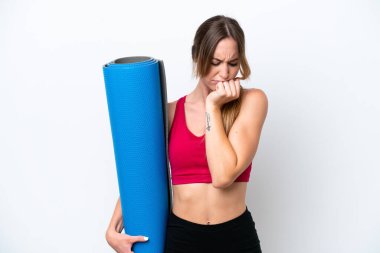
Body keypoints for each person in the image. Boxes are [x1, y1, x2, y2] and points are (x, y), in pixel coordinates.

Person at [105, 15, 268, 253]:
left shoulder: (252, 102)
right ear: (197, 57)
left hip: (235, 237)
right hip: (182, 238)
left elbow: (223, 176)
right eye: (215, 62)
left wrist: (213, 106)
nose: (225, 73)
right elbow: (143, 175)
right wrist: (112, 229)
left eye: (233, 63)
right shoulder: (170, 112)